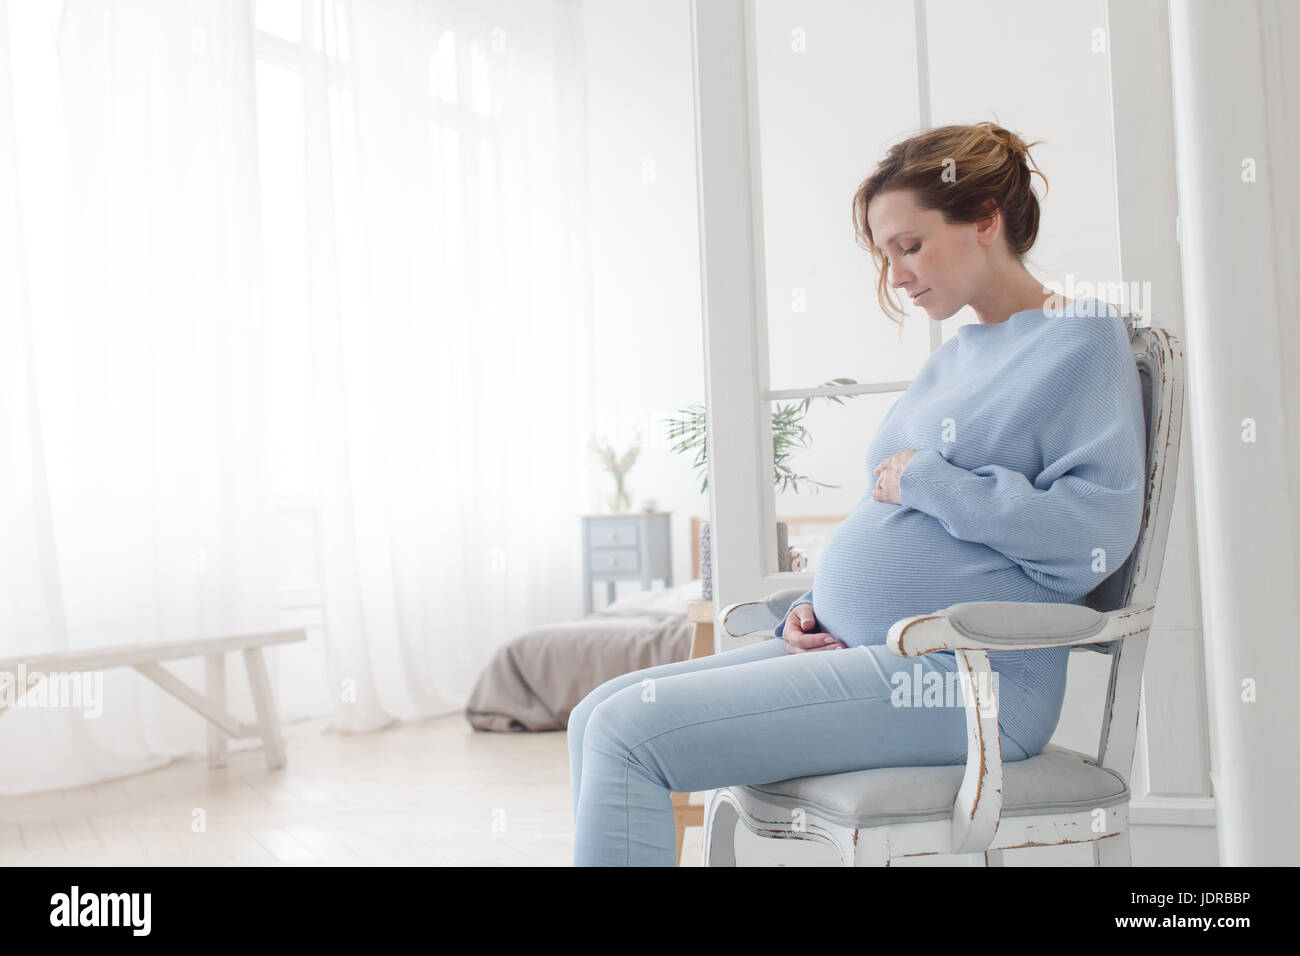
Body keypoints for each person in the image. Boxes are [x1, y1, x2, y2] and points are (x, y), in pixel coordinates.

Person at [567, 121, 1147, 867]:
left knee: (628, 737)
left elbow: (1089, 538)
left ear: (985, 221)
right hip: (862, 648)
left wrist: (931, 480)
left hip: (968, 679)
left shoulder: (1080, 337)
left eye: (910, 245)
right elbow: (897, 519)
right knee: (594, 715)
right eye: (884, 255)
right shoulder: (958, 355)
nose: (897, 275)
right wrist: (816, 608)